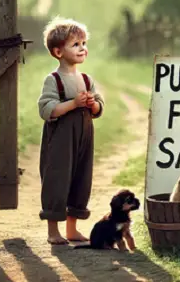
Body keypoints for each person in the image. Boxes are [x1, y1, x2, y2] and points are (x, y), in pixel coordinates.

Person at [37, 17, 105, 245]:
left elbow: (98, 107)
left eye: (84, 43)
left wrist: (92, 103)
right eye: (75, 44)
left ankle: (72, 228)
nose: (82, 48)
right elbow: (48, 110)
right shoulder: (53, 80)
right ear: (58, 51)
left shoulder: (86, 79)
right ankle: (52, 230)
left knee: (81, 178)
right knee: (57, 178)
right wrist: (73, 104)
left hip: (84, 137)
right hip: (61, 140)